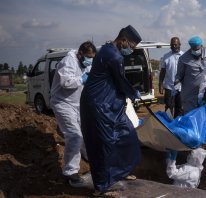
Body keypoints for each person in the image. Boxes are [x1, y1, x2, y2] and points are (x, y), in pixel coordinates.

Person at [80, 25, 142, 195]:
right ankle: (102, 185)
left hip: (107, 103)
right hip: (99, 105)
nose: (131, 50)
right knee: (103, 144)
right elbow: (121, 82)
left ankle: (118, 173)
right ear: (123, 41)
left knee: (126, 134)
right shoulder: (114, 56)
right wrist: (133, 93)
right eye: (131, 46)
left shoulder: (108, 49)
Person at [50, 41, 96, 187]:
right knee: (75, 135)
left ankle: (91, 159)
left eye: (92, 58)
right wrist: (82, 79)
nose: (90, 60)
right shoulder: (68, 61)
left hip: (77, 104)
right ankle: (70, 172)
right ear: (80, 53)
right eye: (88, 57)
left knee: (86, 132)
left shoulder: (86, 63)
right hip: (62, 103)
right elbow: (66, 82)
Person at [175, 36, 206, 114]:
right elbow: (179, 75)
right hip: (190, 94)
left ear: (201, 46)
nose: (196, 51)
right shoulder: (183, 59)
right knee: (191, 115)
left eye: (197, 49)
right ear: (190, 47)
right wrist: (177, 82)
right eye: (193, 49)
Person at [159, 37, 184, 117]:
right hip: (169, 87)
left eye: (176, 44)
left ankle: (177, 124)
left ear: (180, 44)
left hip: (181, 87)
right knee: (169, 106)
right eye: (172, 45)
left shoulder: (184, 56)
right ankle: (168, 125)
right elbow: (163, 71)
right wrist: (160, 84)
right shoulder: (166, 56)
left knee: (179, 106)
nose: (174, 46)